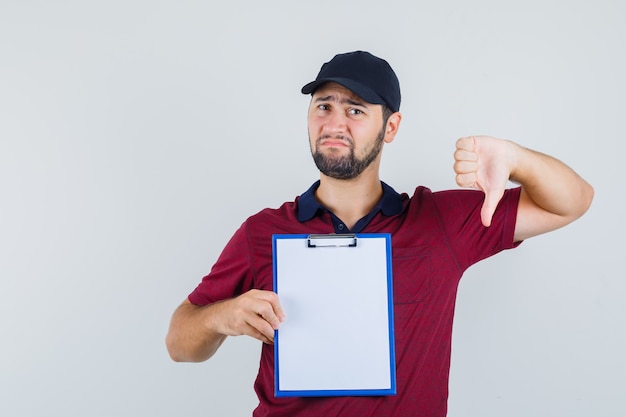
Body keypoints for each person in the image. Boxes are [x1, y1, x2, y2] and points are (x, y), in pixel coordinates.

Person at [165, 50, 593, 416]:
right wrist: (223, 316)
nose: (335, 123)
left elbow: (572, 201)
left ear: (390, 127)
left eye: (355, 110)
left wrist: (516, 159)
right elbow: (179, 343)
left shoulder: (438, 221)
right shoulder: (263, 231)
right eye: (323, 106)